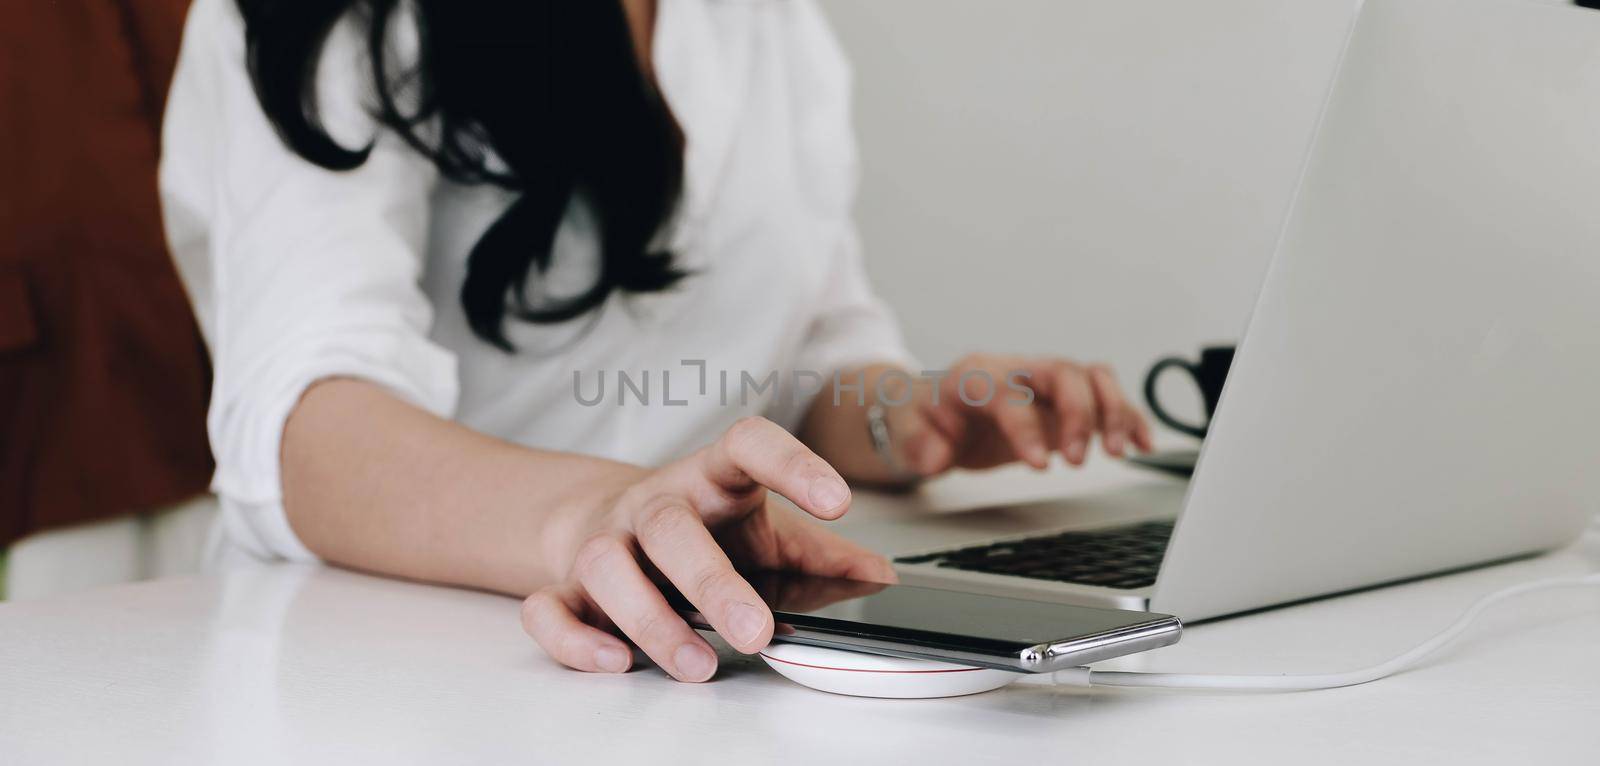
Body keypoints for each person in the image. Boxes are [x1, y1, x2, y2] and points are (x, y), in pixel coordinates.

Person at [159, 0, 1153, 684]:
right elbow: (302, 429)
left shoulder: (762, 19)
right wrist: (592, 514)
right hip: (389, 665)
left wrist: (913, 415)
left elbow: (805, 351)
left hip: (708, 640)